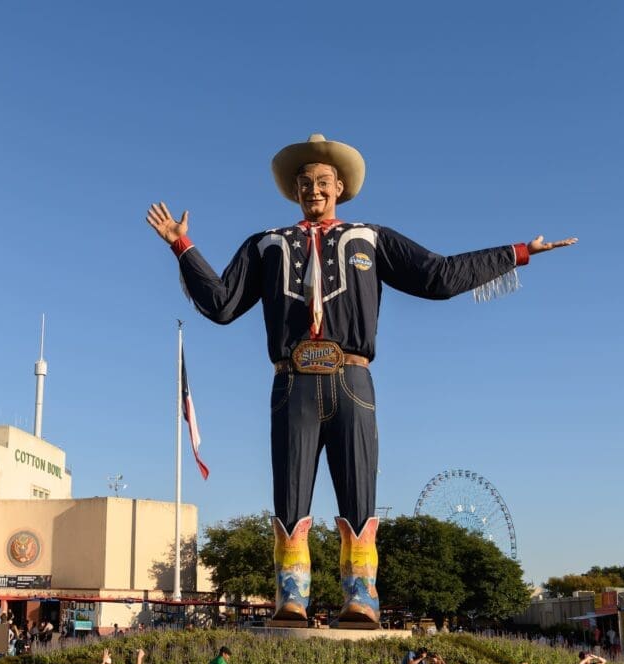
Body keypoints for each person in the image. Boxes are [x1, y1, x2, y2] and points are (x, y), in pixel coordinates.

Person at [147, 134, 576, 622]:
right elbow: (223, 303)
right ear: (293, 189)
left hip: (353, 378)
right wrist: (182, 245)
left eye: (323, 182)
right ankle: (292, 596)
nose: (314, 190)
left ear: (341, 186)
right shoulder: (266, 243)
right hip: (292, 382)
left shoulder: (371, 238)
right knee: (289, 493)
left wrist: (518, 251)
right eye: (305, 182)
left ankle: (361, 595)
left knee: (359, 492)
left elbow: (437, 275)